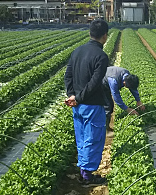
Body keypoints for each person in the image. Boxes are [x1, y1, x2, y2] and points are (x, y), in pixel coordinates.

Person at [64, 19, 109, 187]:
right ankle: (87, 177)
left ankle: (84, 173)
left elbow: (68, 76)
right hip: (91, 104)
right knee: (93, 139)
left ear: (90, 33)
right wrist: (79, 97)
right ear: (104, 36)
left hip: (77, 106)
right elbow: (94, 83)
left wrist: (72, 95)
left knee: (82, 138)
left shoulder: (77, 51)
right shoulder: (101, 56)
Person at [102, 66, 145, 130]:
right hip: (101, 84)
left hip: (108, 79)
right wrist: (127, 109)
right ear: (124, 83)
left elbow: (133, 89)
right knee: (108, 106)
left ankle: (106, 125)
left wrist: (138, 100)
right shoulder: (113, 81)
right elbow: (116, 96)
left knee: (110, 105)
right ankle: (104, 128)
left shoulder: (127, 75)